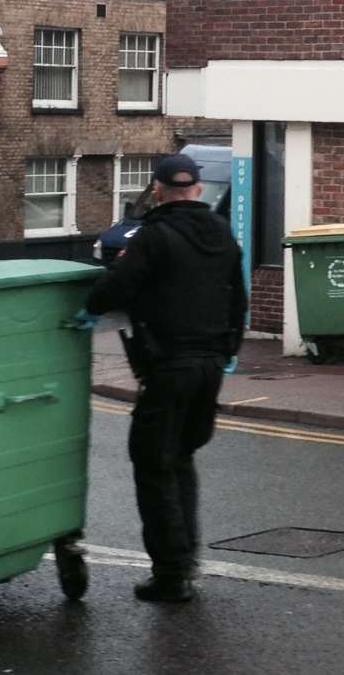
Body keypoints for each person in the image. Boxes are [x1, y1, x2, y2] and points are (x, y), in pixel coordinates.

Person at [77, 154, 247, 602]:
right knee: (181, 457)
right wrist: (228, 351)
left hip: (169, 365)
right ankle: (186, 559)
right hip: (211, 365)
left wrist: (90, 306)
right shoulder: (222, 232)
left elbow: (114, 289)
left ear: (157, 190)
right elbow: (238, 299)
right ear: (196, 190)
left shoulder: (153, 236)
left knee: (153, 462)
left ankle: (171, 574)